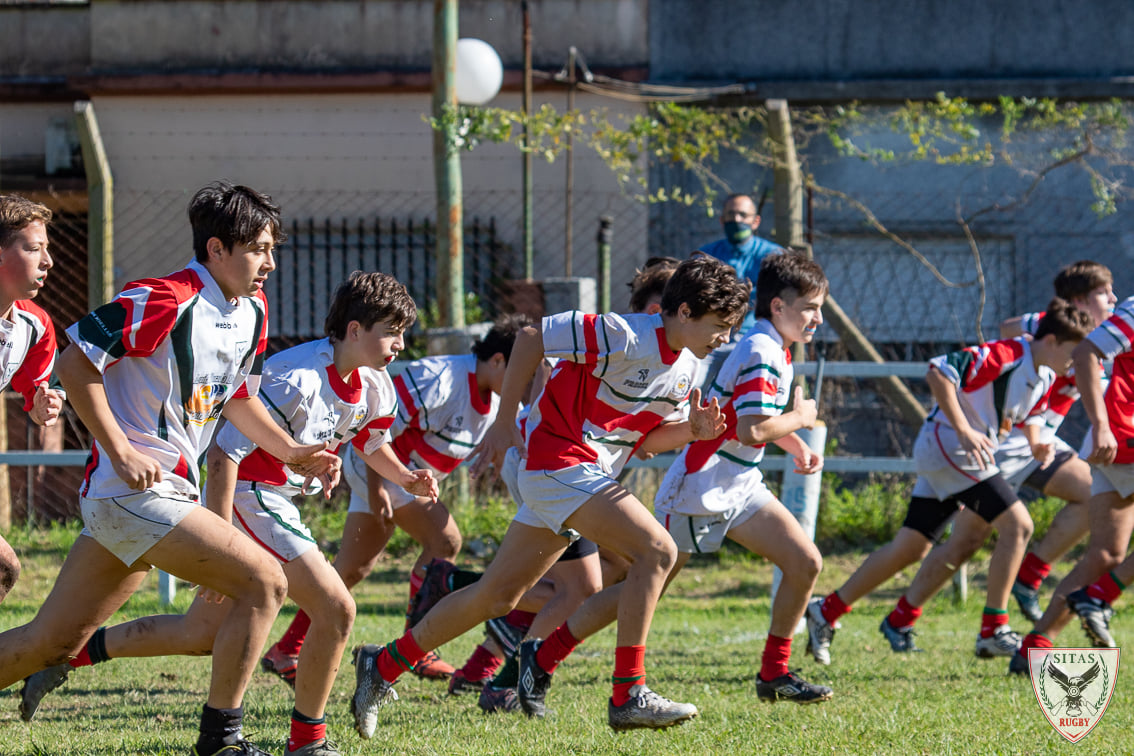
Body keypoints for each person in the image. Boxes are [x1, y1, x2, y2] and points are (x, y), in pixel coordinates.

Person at [19, 271, 434, 756]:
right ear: (356, 330)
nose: (400, 343)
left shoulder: (376, 386)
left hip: (273, 500)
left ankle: (67, 657)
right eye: (392, 332)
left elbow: (371, 440)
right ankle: (306, 741)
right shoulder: (294, 378)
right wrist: (219, 531)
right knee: (336, 608)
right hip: (247, 497)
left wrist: (405, 477)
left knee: (200, 634)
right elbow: (222, 455)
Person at [1, 181, 340, 756]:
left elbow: (238, 398)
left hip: (156, 497)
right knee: (265, 582)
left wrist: (291, 451)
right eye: (258, 249)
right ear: (216, 249)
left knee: (51, 644)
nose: (269, 263)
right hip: (132, 493)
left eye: (271, 249)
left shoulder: (252, 311)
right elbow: (77, 361)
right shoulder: (164, 298)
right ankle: (221, 741)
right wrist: (120, 449)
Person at [348, 254, 749, 736]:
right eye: (720, 325)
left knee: (497, 597)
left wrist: (693, 431)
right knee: (658, 550)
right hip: (558, 463)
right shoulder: (621, 333)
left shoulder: (687, 368)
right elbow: (530, 337)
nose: (725, 337)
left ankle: (382, 665)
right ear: (684, 312)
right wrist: (503, 422)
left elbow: (645, 441)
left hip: (577, 476)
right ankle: (628, 693)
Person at [806, 299, 1092, 663]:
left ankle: (825, 610)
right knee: (1018, 525)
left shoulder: (1046, 374)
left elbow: (1031, 416)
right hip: (950, 448)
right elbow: (940, 371)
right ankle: (993, 629)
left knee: (910, 547)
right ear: (1051, 341)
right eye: (1074, 351)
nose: (1077, 361)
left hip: (957, 455)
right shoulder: (1007, 353)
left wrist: (1037, 443)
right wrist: (964, 430)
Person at [257, 314, 530, 688]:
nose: (523, 384)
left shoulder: (500, 402)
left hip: (398, 479)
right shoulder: (441, 379)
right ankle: (417, 647)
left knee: (353, 568)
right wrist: (377, 489)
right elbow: (375, 432)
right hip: (381, 471)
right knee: (445, 541)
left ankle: (286, 650)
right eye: (522, 372)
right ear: (498, 360)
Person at [1010, 293, 1134, 672]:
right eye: (1103, 292)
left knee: (1106, 555)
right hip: (1122, 437)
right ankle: (1098, 596)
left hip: (1116, 441)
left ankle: (1034, 647)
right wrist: (1101, 425)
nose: (1112, 297)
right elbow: (1085, 353)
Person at [997, 261, 1117, 621]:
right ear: (1079, 302)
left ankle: (1028, 580)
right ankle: (898, 617)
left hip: (1040, 443)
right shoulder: (1055, 331)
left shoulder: (1097, 340)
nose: (1113, 299)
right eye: (1103, 293)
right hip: (1004, 441)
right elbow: (1008, 329)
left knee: (1091, 495)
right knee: (953, 539)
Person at [0, 194, 65, 604]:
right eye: (34, 248)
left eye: (47, 249)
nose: (48, 261)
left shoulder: (34, 325)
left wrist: (45, 407)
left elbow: (37, 394)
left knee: (4, 569)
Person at [698, 193, 781, 334]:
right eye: (731, 214)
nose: (736, 220)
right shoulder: (706, 255)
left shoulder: (773, 256)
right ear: (722, 220)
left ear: (756, 221)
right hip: (713, 333)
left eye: (743, 215)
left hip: (757, 332)